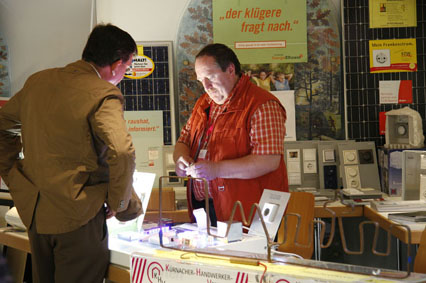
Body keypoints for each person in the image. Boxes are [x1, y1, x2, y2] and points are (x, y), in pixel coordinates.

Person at [0, 24, 138, 283]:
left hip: (37, 216)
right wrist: (119, 203)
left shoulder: (38, 82)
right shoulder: (104, 93)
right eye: (127, 68)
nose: (124, 74)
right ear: (118, 64)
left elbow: (2, 126)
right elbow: (121, 151)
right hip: (79, 219)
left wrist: (17, 180)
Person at [173, 43, 288, 226]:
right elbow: (184, 141)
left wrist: (217, 169)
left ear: (230, 70)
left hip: (248, 214)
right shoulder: (204, 103)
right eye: (200, 80)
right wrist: (180, 158)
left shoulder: (262, 105)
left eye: (210, 77)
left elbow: (268, 161)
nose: (206, 86)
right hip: (206, 209)